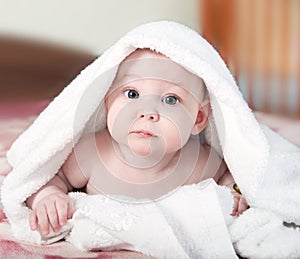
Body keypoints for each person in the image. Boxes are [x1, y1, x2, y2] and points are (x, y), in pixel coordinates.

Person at [26, 48, 248, 236]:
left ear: (198, 118)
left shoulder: (200, 163)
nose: (148, 112)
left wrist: (232, 190)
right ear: (107, 103)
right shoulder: (91, 155)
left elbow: (229, 175)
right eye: (132, 94)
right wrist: (48, 196)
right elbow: (47, 176)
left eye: (171, 99)